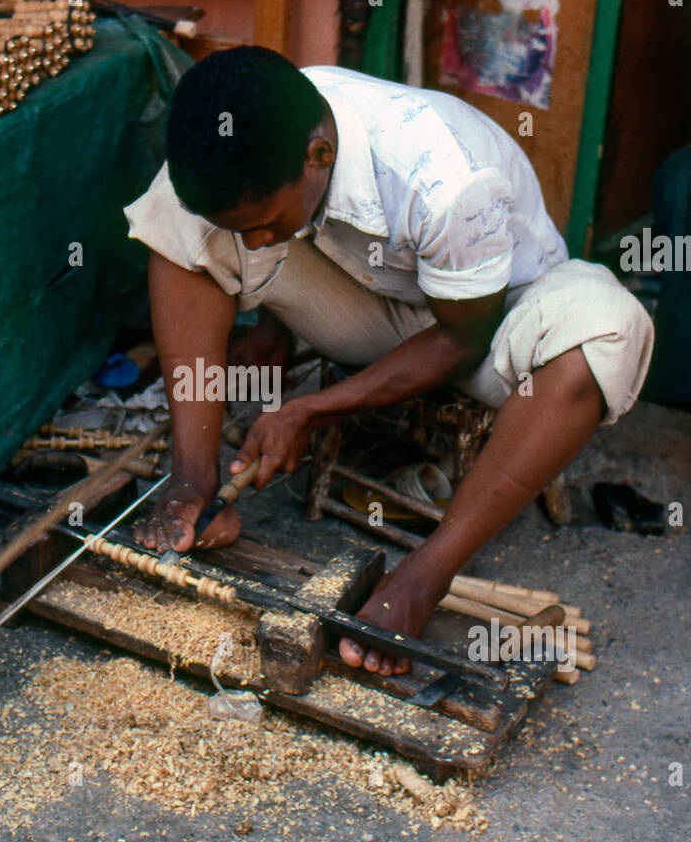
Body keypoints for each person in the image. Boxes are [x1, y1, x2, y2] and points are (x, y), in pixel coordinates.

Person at [124, 46, 654, 674]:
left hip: (487, 325)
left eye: (263, 225)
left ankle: (422, 579)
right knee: (175, 219)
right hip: (380, 306)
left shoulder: (449, 178)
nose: (253, 243)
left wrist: (312, 409)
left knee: (604, 329)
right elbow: (274, 231)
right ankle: (191, 482)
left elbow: (463, 339)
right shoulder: (260, 135)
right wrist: (274, 318)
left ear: (320, 155)